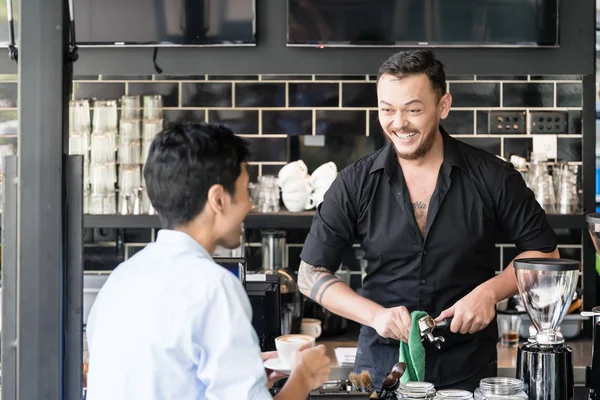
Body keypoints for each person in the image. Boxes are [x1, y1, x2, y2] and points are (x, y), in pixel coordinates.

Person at [297, 49, 559, 390]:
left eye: (413, 109)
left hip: (467, 375)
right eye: (387, 110)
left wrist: (490, 293)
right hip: (380, 374)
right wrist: (375, 316)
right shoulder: (354, 183)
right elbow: (309, 275)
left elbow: (546, 255)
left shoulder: (493, 177)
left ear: (443, 106)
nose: (398, 123)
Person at [85, 123, 331, 400]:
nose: (249, 205)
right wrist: (304, 376)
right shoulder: (214, 286)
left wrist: (245, 374)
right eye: (245, 191)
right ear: (218, 199)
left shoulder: (120, 279)